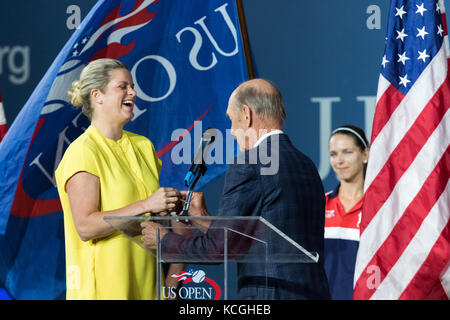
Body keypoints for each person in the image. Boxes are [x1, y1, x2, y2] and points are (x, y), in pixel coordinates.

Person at [141, 78, 331, 300]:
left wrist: (165, 241)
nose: (231, 131)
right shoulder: (306, 163)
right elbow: (263, 237)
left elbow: (219, 250)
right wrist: (201, 218)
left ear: (246, 114)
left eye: (231, 120)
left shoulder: (250, 162)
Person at [55, 58, 183, 299]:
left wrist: (171, 205)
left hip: (149, 287)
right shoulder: (83, 151)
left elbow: (156, 219)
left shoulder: (144, 146)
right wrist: (146, 205)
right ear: (97, 95)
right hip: (103, 290)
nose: (133, 92)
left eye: (132, 86)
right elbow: (85, 226)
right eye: (122, 86)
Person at [324, 125, 370, 300]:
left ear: (365, 155)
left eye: (347, 152)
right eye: (333, 154)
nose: (339, 161)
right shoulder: (320, 204)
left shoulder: (378, 209)